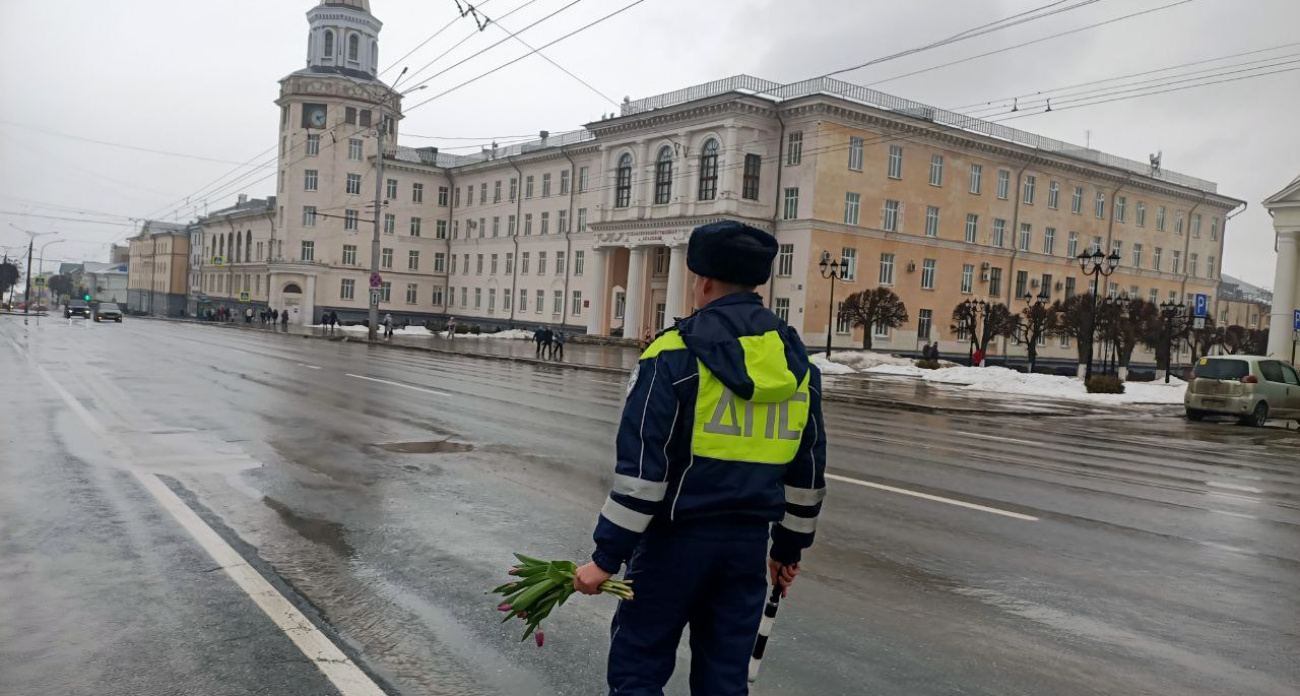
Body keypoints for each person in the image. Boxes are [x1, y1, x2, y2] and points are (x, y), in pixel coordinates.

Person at [573, 221, 827, 695]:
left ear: (704, 282)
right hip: (746, 551)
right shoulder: (797, 366)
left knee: (638, 670)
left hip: (674, 546)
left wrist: (605, 558)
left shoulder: (671, 354)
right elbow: (807, 475)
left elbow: (642, 476)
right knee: (725, 680)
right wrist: (786, 551)